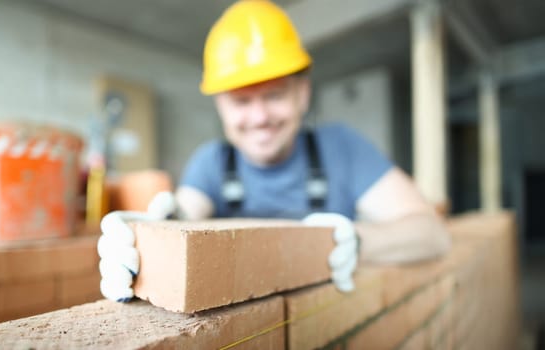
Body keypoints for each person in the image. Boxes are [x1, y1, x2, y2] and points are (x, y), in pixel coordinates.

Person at [98, 0, 451, 301]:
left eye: (275, 95)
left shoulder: (342, 148)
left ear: (303, 94)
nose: (260, 117)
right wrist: (151, 241)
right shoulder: (211, 164)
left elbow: (431, 235)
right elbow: (185, 215)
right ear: (221, 106)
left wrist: (356, 242)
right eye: (241, 101)